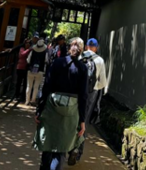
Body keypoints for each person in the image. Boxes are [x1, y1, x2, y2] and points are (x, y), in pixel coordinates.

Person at [34, 38, 88, 170]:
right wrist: (82, 120)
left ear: (70, 48)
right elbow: (83, 96)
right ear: (81, 51)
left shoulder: (57, 63)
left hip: (52, 105)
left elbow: (46, 86)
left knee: (47, 143)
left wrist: (39, 110)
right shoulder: (83, 68)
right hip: (71, 110)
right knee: (61, 149)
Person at [67, 38, 108, 166]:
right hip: (90, 94)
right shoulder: (100, 60)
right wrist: (94, 88)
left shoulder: (79, 57)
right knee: (84, 121)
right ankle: (77, 150)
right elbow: (103, 83)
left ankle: (67, 147)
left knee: (72, 119)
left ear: (86, 47)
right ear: (96, 47)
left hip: (75, 92)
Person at [26, 39, 48, 105]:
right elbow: (46, 60)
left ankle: (27, 100)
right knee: (36, 87)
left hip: (31, 69)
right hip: (40, 70)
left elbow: (28, 60)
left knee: (29, 86)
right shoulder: (45, 52)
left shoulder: (32, 51)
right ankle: (33, 100)